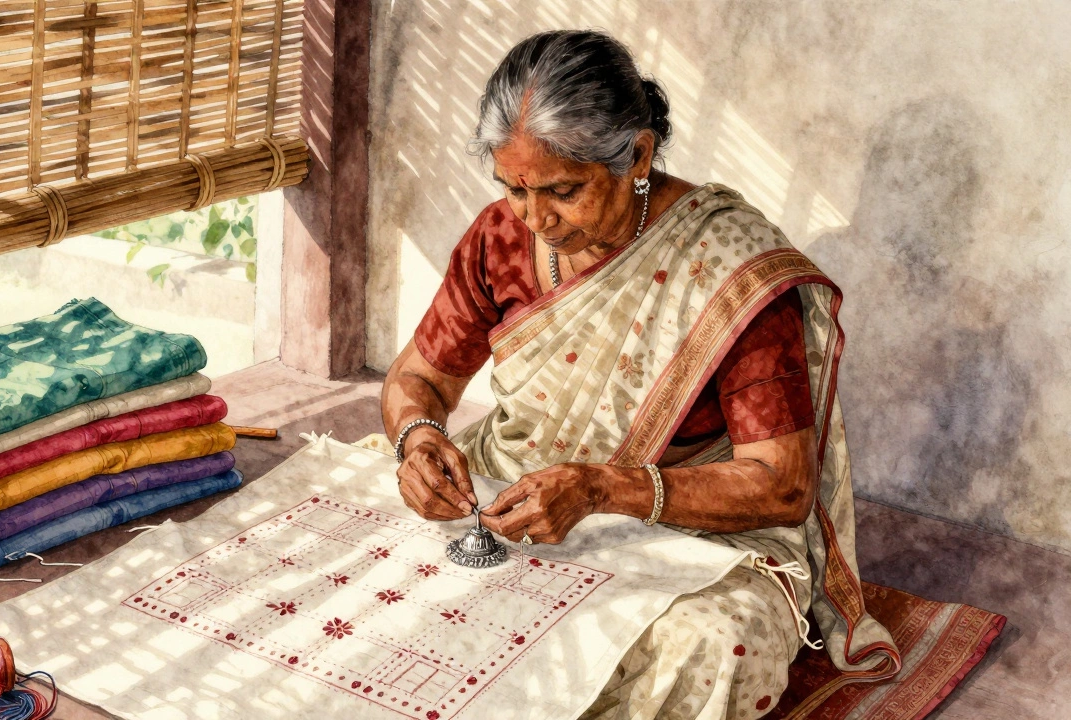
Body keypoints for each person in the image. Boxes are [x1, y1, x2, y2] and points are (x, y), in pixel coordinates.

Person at [380, 30, 900, 720]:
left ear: (638, 156)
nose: (536, 220)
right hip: (512, 495)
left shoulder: (729, 268)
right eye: (513, 190)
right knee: (375, 570)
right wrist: (417, 439)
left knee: (713, 644)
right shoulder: (500, 239)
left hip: (693, 528)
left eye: (564, 191)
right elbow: (419, 380)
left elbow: (782, 484)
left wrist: (599, 488)